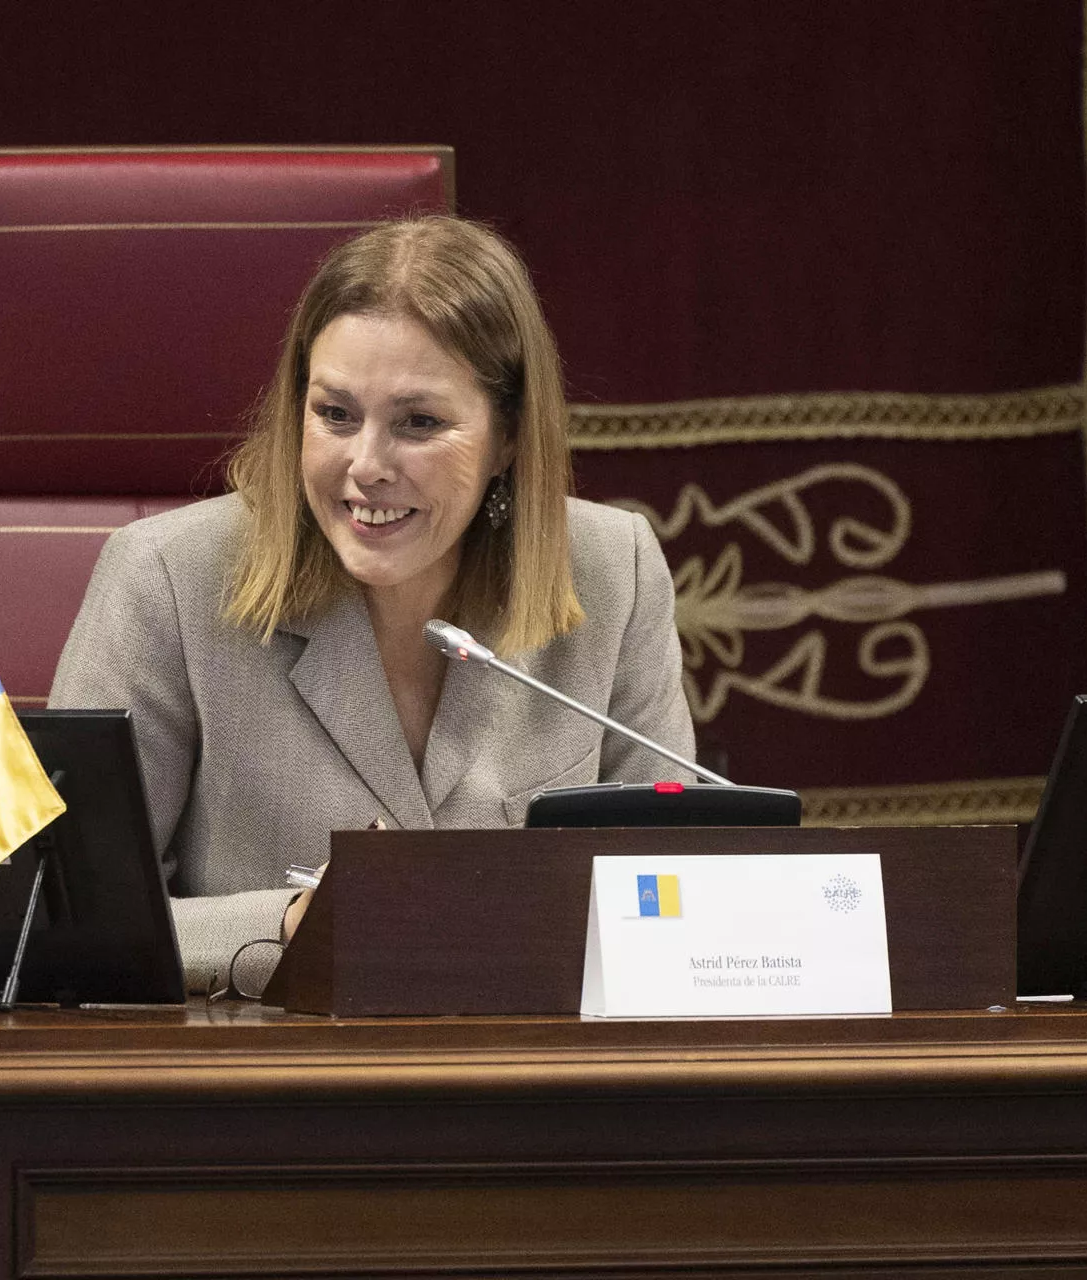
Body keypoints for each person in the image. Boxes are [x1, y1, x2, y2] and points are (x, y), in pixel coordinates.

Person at [49, 216, 693, 995]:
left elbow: (681, 889)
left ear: (510, 439)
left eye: (419, 423)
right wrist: (293, 922)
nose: (366, 465)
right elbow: (69, 922)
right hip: (258, 1088)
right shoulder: (167, 578)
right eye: (335, 414)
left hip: (528, 1081)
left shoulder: (609, 568)